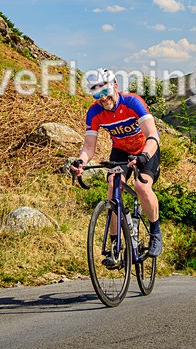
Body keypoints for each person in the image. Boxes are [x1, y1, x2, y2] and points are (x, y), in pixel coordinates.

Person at [70, 68, 163, 261]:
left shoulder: (132, 102)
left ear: (115, 86)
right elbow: (88, 146)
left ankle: (155, 233)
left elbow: (153, 136)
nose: (103, 98)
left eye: (105, 91)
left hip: (146, 149)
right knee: (113, 184)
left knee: (141, 186)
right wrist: (81, 162)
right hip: (121, 151)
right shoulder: (94, 112)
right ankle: (115, 246)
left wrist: (145, 156)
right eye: (96, 94)